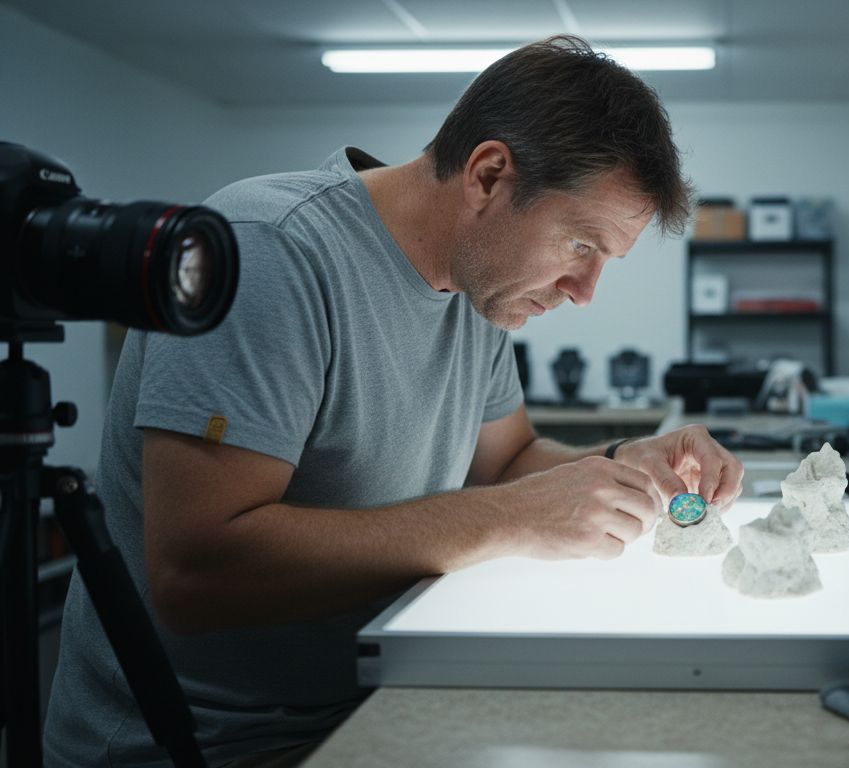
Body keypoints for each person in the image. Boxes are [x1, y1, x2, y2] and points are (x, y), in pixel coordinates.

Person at [45, 35, 743, 768]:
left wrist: (623, 464)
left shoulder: (480, 288)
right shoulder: (267, 252)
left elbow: (508, 462)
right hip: (203, 744)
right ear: (488, 176)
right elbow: (197, 573)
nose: (584, 291)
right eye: (578, 246)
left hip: (367, 695)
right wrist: (508, 520)